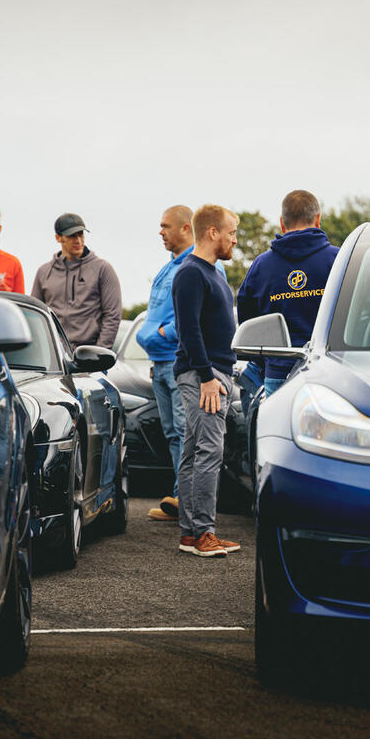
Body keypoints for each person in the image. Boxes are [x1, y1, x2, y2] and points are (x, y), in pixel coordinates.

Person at [137, 205, 225, 522]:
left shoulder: (198, 267)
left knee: (189, 433)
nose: (160, 232)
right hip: (160, 364)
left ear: (186, 228)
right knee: (174, 434)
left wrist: (162, 333)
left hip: (182, 364)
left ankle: (186, 506)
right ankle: (179, 498)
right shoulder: (169, 267)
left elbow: (194, 320)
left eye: (165, 226)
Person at [172, 204, 241, 558]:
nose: (234, 240)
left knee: (194, 451)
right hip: (204, 376)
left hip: (216, 373)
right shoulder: (190, 273)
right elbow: (189, 330)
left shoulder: (214, 273)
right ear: (212, 232)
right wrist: (206, 378)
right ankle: (203, 533)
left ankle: (191, 533)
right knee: (208, 453)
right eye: (231, 233)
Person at [236, 190, 339, 397]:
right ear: (318, 219)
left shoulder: (260, 266)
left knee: (277, 428)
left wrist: (266, 360)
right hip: (328, 371)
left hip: (277, 372)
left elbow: (247, 323)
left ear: (282, 223)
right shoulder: (338, 260)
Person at [31, 213, 122, 349]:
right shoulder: (43, 272)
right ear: (58, 238)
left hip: (89, 355)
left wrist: (99, 353)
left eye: (81, 235)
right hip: (54, 355)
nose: (78, 240)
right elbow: (35, 316)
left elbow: (112, 315)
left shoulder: (103, 269)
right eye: (72, 236)